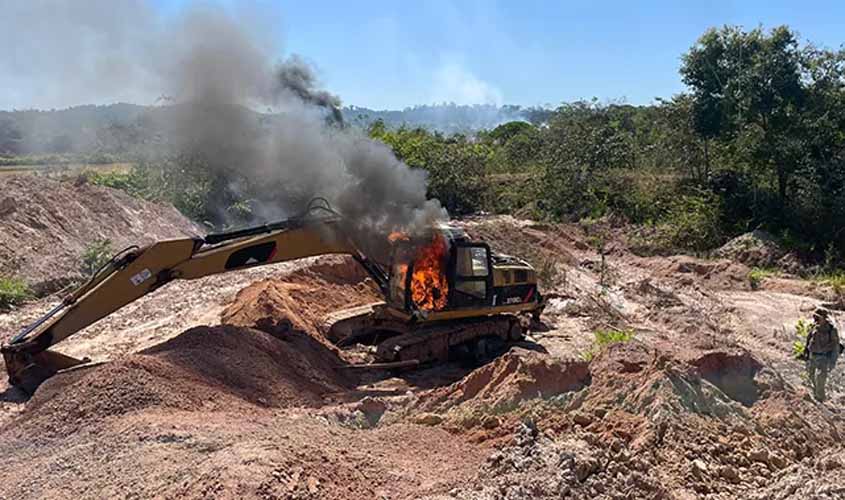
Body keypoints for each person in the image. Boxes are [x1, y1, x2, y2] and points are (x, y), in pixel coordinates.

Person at [804, 307, 840, 402]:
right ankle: (816, 394)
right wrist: (806, 351)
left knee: (820, 378)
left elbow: (835, 345)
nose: (815, 319)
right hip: (813, 355)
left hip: (824, 357)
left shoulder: (831, 329)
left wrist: (833, 360)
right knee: (810, 376)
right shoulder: (814, 326)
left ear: (824, 318)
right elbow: (809, 338)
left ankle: (820, 398)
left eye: (818, 317)